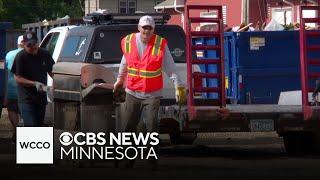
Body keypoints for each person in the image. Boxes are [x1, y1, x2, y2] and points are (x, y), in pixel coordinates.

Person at [113, 15, 186, 169]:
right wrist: (120, 80)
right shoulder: (129, 41)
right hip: (132, 92)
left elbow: (170, 67)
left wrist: (178, 85)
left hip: (153, 93)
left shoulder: (160, 44)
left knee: (152, 126)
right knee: (129, 127)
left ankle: (152, 160)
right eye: (144, 27)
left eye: (149, 28)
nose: (146, 31)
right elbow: (124, 62)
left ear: (153, 29)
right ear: (139, 28)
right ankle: (128, 159)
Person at [11, 31, 55, 127]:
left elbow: (52, 73)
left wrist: (58, 85)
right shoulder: (20, 57)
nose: (32, 47)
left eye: (34, 44)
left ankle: (37, 141)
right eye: (29, 45)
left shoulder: (45, 54)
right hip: (26, 99)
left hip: (41, 98)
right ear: (24, 45)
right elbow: (18, 78)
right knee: (31, 126)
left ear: (38, 42)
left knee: (39, 126)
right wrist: (34, 83)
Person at [4, 35, 24, 141]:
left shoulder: (9, 55)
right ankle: (21, 132)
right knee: (25, 112)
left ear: (17, 43)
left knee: (12, 110)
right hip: (26, 89)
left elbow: (6, 71)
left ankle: (17, 129)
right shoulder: (29, 54)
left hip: (12, 88)